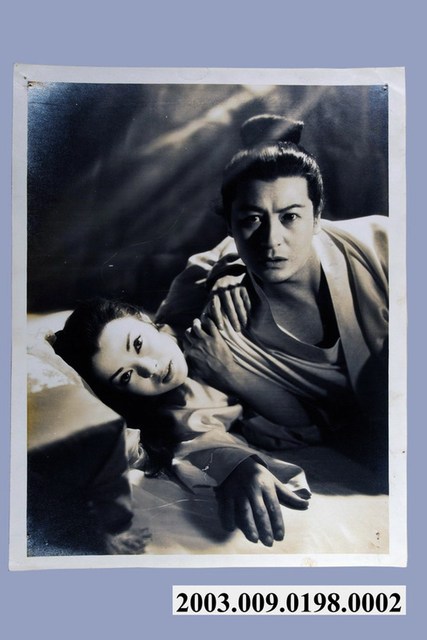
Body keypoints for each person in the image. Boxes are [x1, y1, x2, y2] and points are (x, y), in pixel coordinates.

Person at [156, 114, 389, 489]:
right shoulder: (223, 318)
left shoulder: (382, 246)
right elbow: (193, 416)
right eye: (252, 219)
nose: (271, 240)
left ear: (317, 217)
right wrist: (238, 466)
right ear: (230, 226)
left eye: (290, 216)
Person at [54, 298, 311, 548]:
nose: (149, 368)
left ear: (144, 319)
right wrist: (240, 465)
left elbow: (202, 271)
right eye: (126, 377)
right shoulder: (179, 404)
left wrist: (225, 277)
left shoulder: (190, 303)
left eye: (139, 344)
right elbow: (199, 434)